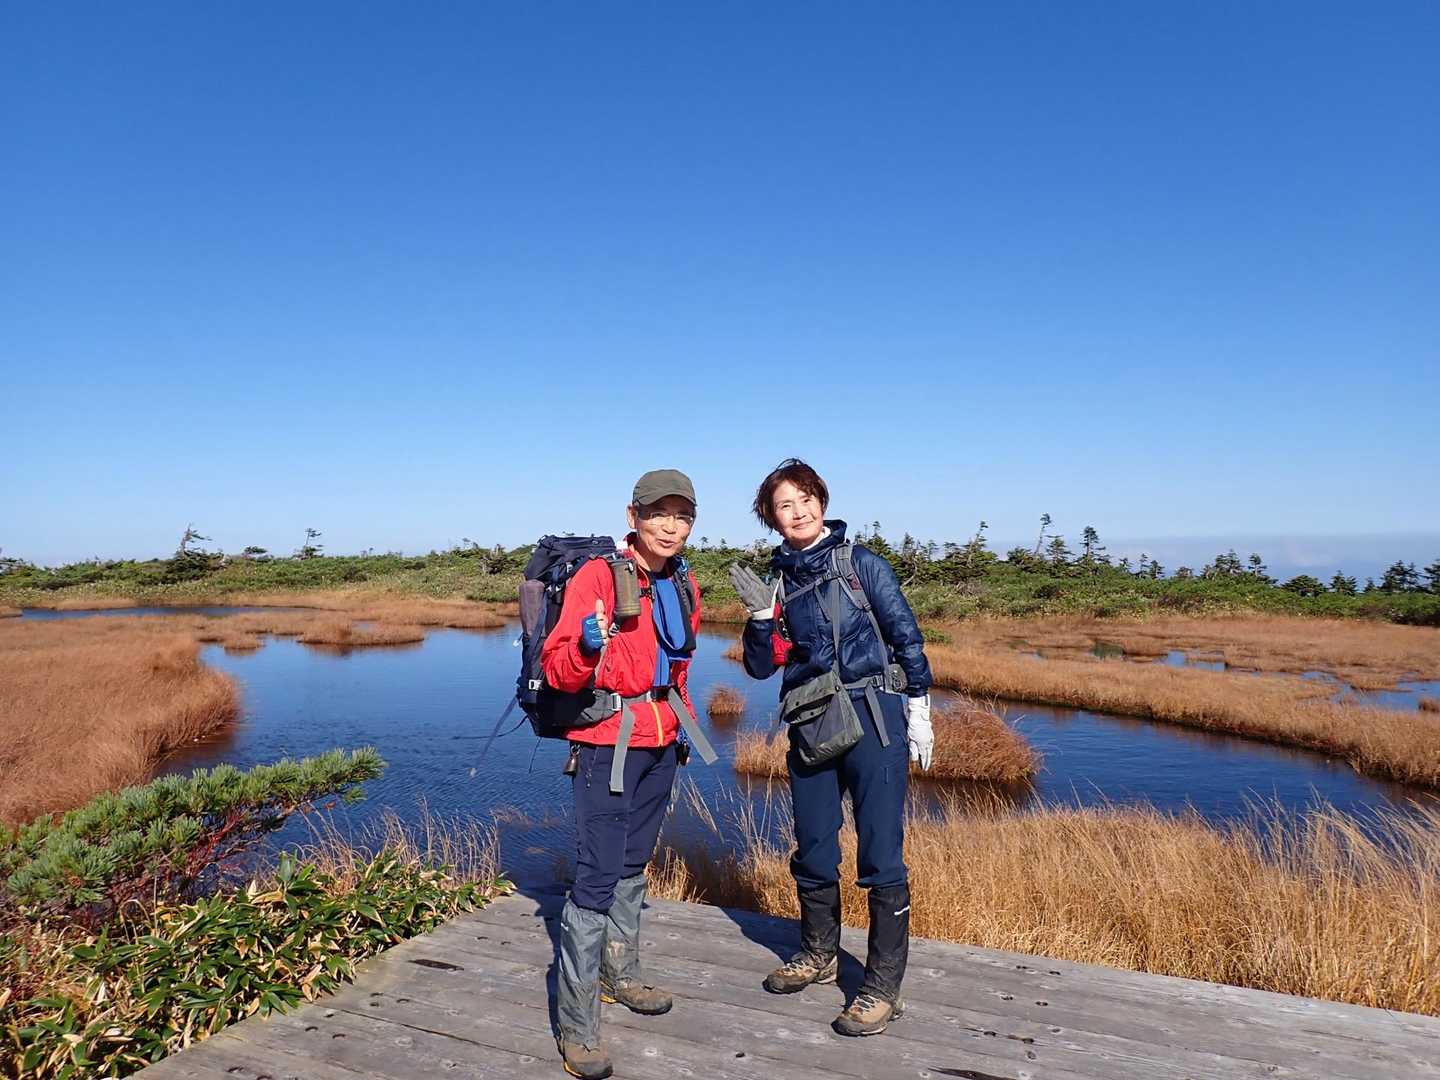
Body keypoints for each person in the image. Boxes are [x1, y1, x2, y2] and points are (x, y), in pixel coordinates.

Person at [730, 458, 934, 1037]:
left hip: (873, 717)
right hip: (812, 721)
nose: (797, 513)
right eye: (784, 506)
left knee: (881, 853)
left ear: (822, 501)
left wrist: (919, 710)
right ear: (771, 518)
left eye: (805, 500)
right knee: (815, 845)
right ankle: (819, 954)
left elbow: (906, 637)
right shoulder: (775, 583)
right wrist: (761, 620)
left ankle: (882, 987)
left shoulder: (861, 565)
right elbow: (758, 667)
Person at [541, 469, 708, 1080]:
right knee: (596, 877)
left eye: (682, 516)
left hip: (662, 740)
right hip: (607, 744)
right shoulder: (598, 576)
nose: (671, 526)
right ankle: (578, 1027)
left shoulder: (683, 580)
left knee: (634, 864)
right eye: (659, 513)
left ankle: (621, 974)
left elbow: (679, 666)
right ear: (633, 515)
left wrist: (682, 726)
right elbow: (558, 669)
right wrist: (588, 645)